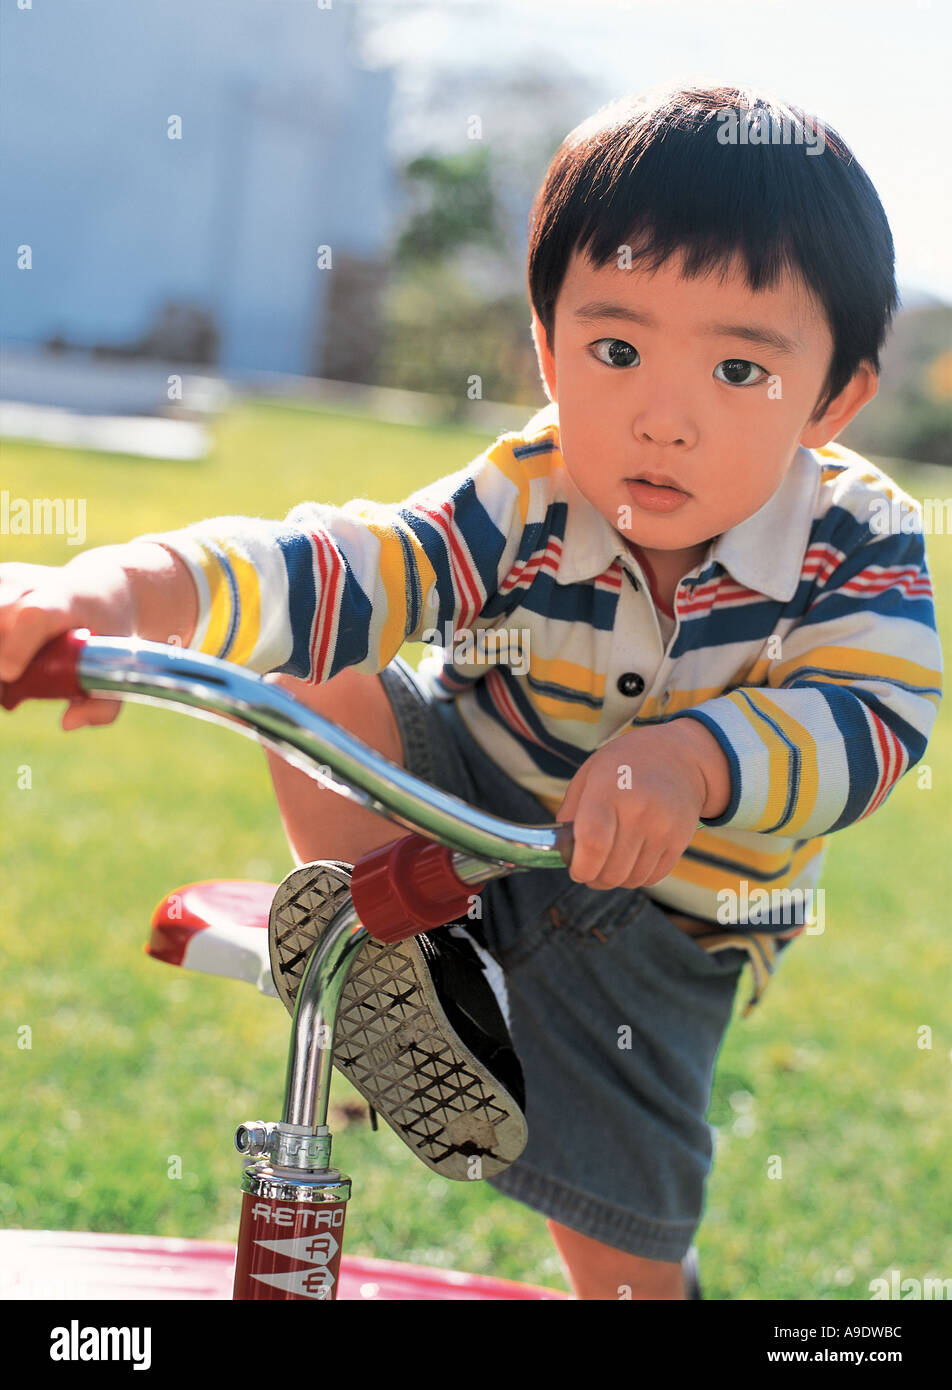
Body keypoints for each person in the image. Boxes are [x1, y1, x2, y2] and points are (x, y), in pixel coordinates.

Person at [0, 84, 941, 1301]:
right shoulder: (526, 495)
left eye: (738, 369)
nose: (662, 416)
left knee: (620, 1241)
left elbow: (873, 717)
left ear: (833, 398)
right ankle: (414, 972)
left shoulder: (856, 535)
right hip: (461, 819)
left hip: (662, 924)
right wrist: (127, 588)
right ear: (547, 350)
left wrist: (692, 761)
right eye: (614, 350)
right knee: (317, 660)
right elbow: (345, 560)